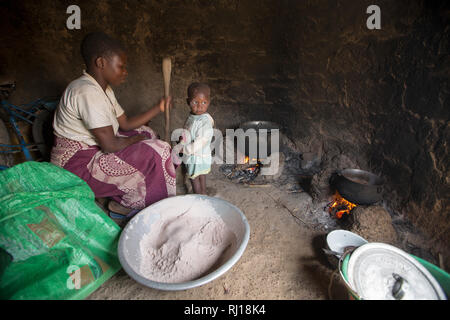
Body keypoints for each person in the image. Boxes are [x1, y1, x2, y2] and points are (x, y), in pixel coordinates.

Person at [50, 32, 177, 216]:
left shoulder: (103, 89)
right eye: (121, 66)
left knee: (148, 133)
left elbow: (125, 124)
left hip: (95, 147)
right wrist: (138, 142)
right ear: (101, 63)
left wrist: (159, 107)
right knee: (159, 151)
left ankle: (125, 201)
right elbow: (109, 145)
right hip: (77, 165)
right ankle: (137, 203)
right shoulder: (86, 92)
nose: (125, 72)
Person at [180, 83, 214, 195]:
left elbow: (200, 142)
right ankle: (203, 195)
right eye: (195, 102)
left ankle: (199, 196)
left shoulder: (205, 121)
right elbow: (188, 130)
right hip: (196, 156)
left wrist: (184, 150)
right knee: (200, 175)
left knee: (195, 178)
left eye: (204, 102)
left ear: (209, 102)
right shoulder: (192, 116)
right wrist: (182, 138)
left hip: (197, 156)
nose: (200, 106)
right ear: (188, 102)